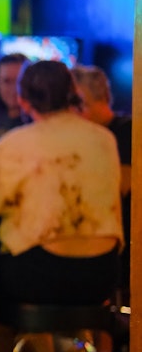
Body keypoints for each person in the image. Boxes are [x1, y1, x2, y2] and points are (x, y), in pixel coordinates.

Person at [0, 60, 123, 352]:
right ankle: (68, 348)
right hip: (100, 277)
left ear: (24, 100)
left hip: (42, 276)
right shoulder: (104, 139)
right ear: (72, 94)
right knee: (50, 271)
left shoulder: (15, 144)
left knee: (18, 267)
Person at [72, 64, 131, 293]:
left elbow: (122, 186)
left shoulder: (126, 130)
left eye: (78, 102)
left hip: (117, 243)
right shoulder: (81, 137)